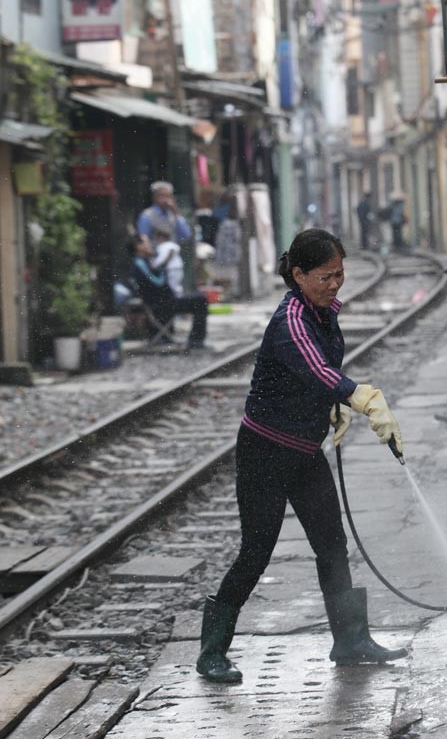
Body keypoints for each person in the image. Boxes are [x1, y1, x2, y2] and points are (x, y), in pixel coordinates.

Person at [196, 228, 407, 684]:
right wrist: (360, 396)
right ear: (299, 275)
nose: (335, 285)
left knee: (332, 545)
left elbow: (319, 373)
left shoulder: (324, 312)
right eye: (326, 277)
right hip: (265, 452)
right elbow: (313, 367)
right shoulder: (290, 318)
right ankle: (211, 651)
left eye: (340, 275)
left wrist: (331, 406)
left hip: (305, 451)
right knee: (256, 551)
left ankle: (350, 641)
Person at [129, 233, 208, 349]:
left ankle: (194, 339)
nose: (150, 244)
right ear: (138, 246)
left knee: (199, 297)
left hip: (166, 301)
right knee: (200, 300)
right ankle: (196, 340)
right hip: (161, 305)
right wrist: (164, 263)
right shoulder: (139, 264)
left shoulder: (147, 261)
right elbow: (157, 282)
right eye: (147, 242)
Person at [151, 225, 184, 297]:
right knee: (176, 286)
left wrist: (154, 265)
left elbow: (163, 257)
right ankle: (179, 300)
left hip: (171, 269)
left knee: (173, 287)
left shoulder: (164, 245)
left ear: (161, 237)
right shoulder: (172, 244)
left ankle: (178, 302)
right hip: (178, 268)